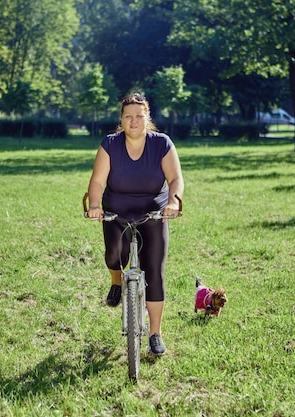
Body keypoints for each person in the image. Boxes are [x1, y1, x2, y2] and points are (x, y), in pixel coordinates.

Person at [86, 93, 184, 355]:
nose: (133, 121)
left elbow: (175, 179)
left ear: (147, 118)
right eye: (128, 116)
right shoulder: (110, 144)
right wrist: (95, 206)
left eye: (138, 116)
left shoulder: (162, 144)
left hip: (153, 212)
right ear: (121, 119)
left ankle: (155, 334)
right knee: (113, 256)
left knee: (154, 271)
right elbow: (97, 182)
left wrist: (173, 202)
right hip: (117, 211)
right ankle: (117, 283)